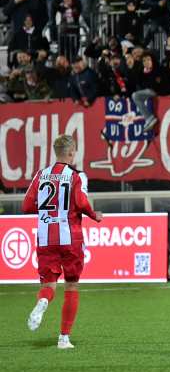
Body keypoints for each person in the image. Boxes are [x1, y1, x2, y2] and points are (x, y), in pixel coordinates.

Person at [21, 134, 103, 349]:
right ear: (71, 153)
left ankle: (43, 301)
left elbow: (26, 206)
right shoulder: (76, 176)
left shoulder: (41, 175)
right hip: (70, 237)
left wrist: (48, 211)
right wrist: (94, 215)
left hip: (46, 238)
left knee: (48, 285)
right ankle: (64, 338)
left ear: (56, 152)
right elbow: (81, 203)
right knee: (71, 285)